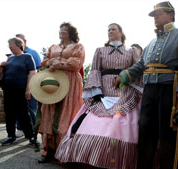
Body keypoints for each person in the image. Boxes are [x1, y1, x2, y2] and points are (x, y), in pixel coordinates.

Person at [115, 2, 178, 168]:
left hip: (169, 90)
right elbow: (140, 67)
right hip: (149, 92)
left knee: (168, 136)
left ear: (171, 15)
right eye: (154, 16)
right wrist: (124, 76)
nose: (155, 19)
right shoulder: (150, 43)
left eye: (159, 14)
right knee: (145, 134)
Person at [55, 23, 142, 169]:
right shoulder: (100, 50)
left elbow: (136, 70)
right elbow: (95, 71)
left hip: (124, 91)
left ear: (121, 32)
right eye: (108, 30)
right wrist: (96, 92)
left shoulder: (132, 51)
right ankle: (84, 156)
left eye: (113, 29)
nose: (110, 31)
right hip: (103, 90)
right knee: (93, 120)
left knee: (124, 121)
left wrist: (134, 88)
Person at [38, 22, 84, 163]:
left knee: (67, 113)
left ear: (70, 32)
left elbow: (77, 63)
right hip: (54, 81)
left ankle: (65, 151)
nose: (61, 32)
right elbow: (44, 61)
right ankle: (50, 150)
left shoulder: (78, 47)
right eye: (60, 30)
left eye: (64, 30)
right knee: (50, 113)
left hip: (70, 82)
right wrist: (52, 62)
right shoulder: (54, 47)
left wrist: (62, 63)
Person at [1, 37, 36, 145]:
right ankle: (11, 135)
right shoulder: (10, 58)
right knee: (9, 114)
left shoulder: (27, 57)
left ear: (19, 45)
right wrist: (1, 66)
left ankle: (31, 136)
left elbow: (32, 73)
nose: (10, 47)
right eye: (9, 45)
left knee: (24, 114)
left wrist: (28, 89)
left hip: (20, 89)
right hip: (8, 89)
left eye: (11, 44)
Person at [15, 33, 42, 138]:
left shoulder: (33, 53)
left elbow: (39, 69)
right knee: (19, 109)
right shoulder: (14, 54)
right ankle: (20, 128)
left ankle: (34, 130)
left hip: (31, 85)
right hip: (18, 86)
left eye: (19, 40)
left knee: (31, 108)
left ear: (25, 42)